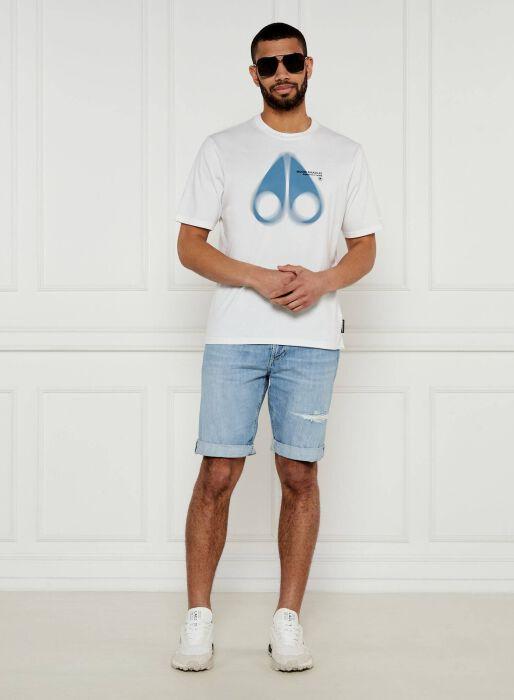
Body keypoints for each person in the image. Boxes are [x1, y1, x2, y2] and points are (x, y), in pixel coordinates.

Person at [170, 21, 383, 673]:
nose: (282, 73)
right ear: (254, 75)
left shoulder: (345, 154)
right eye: (269, 65)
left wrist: (322, 281)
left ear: (309, 65)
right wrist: (258, 277)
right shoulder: (222, 148)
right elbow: (190, 246)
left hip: (311, 342)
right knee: (217, 474)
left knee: (300, 476)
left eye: (292, 61)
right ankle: (198, 619)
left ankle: (287, 619)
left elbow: (365, 248)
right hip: (235, 335)